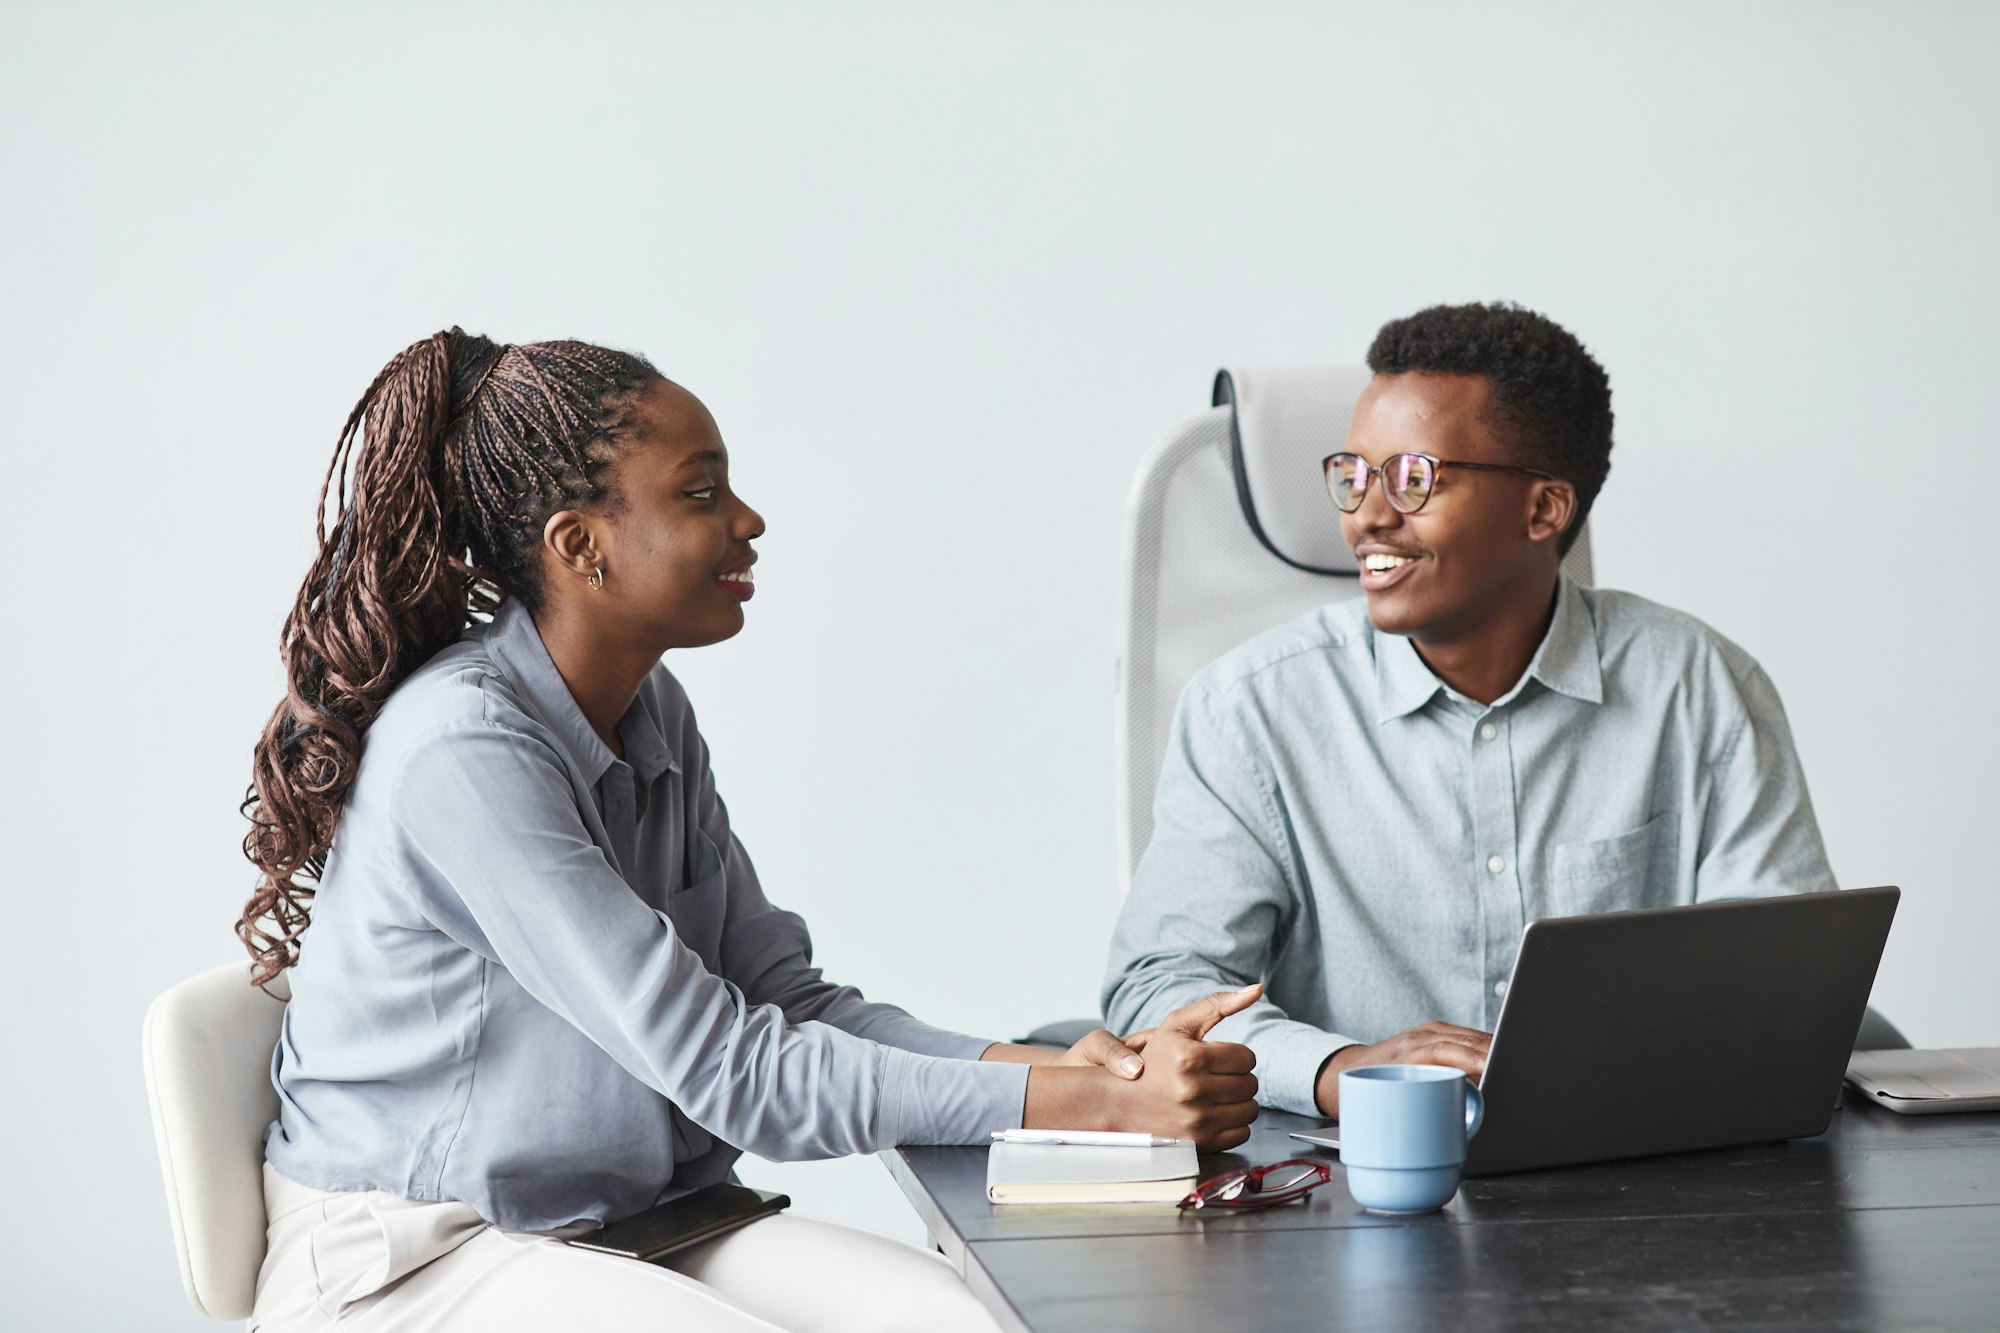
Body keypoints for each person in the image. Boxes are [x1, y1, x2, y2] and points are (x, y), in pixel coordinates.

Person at [237, 329, 1261, 1332]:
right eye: (700, 493)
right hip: (423, 1257)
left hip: (628, 1227)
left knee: (951, 1314)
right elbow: (734, 1072)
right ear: (578, 544)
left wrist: (1074, 1074)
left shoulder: (649, 708)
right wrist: (1088, 1108)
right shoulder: (463, 750)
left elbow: (783, 1000)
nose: (748, 518)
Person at [1102, 301, 1837, 1121]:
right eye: (1354, 474)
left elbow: (1785, 987)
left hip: (1629, 1170)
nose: (1367, 515)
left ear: (1544, 510)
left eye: (1413, 477)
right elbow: (1162, 987)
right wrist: (1342, 1069)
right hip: (1348, 1190)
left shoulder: (1697, 686)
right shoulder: (1250, 711)